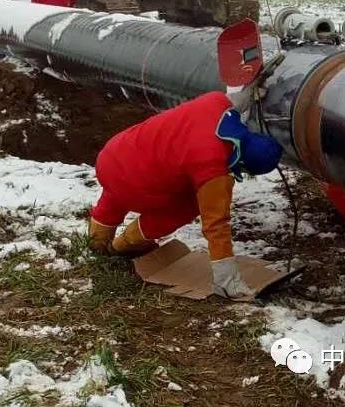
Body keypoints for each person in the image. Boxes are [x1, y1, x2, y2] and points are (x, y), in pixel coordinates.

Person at [87, 91, 283, 300]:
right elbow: (216, 224)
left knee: (129, 175)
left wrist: (252, 89)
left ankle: (97, 240)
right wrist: (227, 280)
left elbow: (236, 101)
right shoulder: (213, 168)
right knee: (191, 203)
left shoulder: (216, 102)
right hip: (136, 188)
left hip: (111, 156)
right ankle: (124, 245)